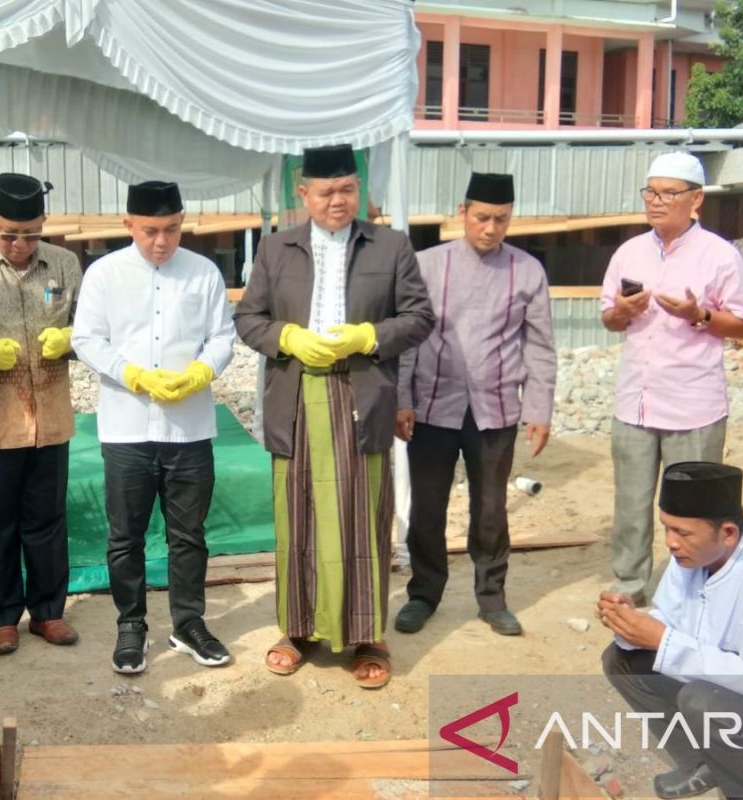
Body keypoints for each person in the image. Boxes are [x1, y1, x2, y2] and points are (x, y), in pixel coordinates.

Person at [234, 144, 434, 689]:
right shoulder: (276, 249)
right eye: (326, 192)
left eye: (348, 189)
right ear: (303, 194)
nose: (339, 201)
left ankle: (368, 635)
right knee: (298, 517)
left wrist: (370, 336)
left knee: (361, 517)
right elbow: (248, 319)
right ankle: (298, 629)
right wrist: (287, 337)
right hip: (295, 398)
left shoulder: (390, 245)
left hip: (361, 397)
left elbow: (419, 317)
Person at [72, 180, 235, 674]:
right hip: (126, 428)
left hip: (188, 428)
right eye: (149, 231)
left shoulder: (203, 272)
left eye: (171, 229)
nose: (161, 241)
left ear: (182, 223)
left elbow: (222, 336)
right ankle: (131, 625)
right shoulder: (104, 274)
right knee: (126, 535)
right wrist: (133, 374)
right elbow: (87, 338)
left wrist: (202, 372)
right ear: (128, 226)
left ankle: (188, 623)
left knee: (189, 534)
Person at [393, 173, 556, 638]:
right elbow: (407, 339)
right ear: (462, 213)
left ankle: (492, 598)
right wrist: (403, 399)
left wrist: (539, 409)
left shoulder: (527, 271)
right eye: (481, 217)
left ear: (510, 220)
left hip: (496, 408)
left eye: (500, 220)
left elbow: (540, 346)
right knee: (427, 507)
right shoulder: (426, 265)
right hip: (432, 406)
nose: (490, 228)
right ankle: (423, 593)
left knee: (490, 509)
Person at [600, 462, 743, 800]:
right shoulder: (693, 558)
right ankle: (708, 763)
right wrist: (631, 621)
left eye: (682, 532)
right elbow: (676, 623)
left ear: (727, 533)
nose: (670, 542)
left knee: (702, 703)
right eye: (666, 528)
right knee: (624, 659)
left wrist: (662, 640)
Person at [600, 152, 743, 606]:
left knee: (694, 508)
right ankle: (629, 585)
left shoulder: (721, 256)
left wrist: (700, 314)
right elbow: (609, 318)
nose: (657, 202)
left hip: (694, 404)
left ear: (696, 199)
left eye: (669, 193)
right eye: (651, 192)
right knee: (630, 504)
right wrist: (622, 312)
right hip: (635, 402)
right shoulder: (628, 252)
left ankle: (697, 589)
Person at [0, 174, 83, 655]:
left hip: (50, 415)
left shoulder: (64, 264)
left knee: (46, 520)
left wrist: (71, 342)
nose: (21, 244)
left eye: (30, 234)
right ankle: (1, 616)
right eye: (9, 234)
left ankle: (48, 612)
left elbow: (88, 329)